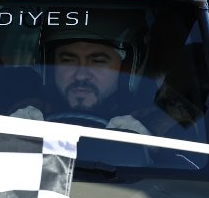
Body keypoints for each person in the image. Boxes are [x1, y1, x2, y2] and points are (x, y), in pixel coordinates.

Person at [12, 14, 154, 134]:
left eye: (98, 61)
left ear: (128, 69)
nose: (81, 75)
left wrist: (150, 147)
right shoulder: (24, 114)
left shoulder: (155, 119)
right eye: (68, 61)